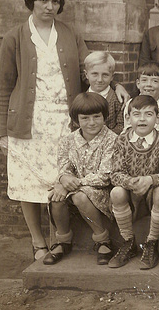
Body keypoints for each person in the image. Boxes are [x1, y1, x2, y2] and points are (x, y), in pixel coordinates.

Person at [0, 0, 127, 261]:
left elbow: (90, 70)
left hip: (62, 122)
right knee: (27, 183)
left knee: (60, 179)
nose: (50, 6)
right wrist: (4, 132)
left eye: (55, 1)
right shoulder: (14, 37)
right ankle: (38, 241)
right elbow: (4, 87)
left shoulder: (69, 34)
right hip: (27, 123)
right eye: (44, 0)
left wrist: (114, 85)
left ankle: (60, 240)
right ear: (31, 2)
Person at [45, 93, 118, 265]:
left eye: (97, 117)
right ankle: (63, 240)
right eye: (85, 118)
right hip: (74, 187)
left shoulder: (112, 140)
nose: (91, 122)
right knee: (56, 197)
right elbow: (64, 166)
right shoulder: (67, 140)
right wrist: (63, 178)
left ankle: (103, 240)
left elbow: (105, 175)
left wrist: (72, 184)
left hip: (100, 189)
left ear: (104, 117)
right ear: (76, 120)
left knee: (79, 196)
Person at [108, 95, 159, 270]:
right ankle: (128, 241)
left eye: (148, 114)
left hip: (153, 194)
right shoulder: (121, 140)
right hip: (131, 193)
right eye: (136, 114)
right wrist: (131, 182)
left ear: (158, 118)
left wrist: (150, 180)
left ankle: (151, 243)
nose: (142, 119)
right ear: (128, 118)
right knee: (116, 192)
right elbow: (115, 173)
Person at [123, 62, 159, 136]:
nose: (149, 84)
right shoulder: (130, 103)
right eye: (144, 80)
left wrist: (150, 134)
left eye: (155, 81)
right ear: (138, 83)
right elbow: (127, 129)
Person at [85, 51, 124, 134]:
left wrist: (105, 139)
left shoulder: (118, 99)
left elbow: (121, 125)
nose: (99, 79)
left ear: (112, 77)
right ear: (86, 74)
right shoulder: (82, 99)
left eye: (105, 75)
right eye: (95, 74)